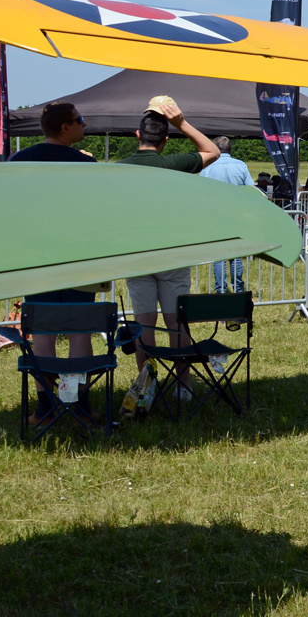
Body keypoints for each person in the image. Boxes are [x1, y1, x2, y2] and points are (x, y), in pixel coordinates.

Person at [119, 98, 220, 413]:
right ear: (165, 140)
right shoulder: (176, 164)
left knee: (144, 323)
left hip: (136, 255)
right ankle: (184, 385)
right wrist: (182, 123)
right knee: (177, 323)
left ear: (138, 136)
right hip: (173, 254)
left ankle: (144, 387)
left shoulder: (117, 170)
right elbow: (212, 151)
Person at [9, 102, 98, 426]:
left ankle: (46, 407)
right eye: (80, 121)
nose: (84, 125)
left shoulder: (17, 162)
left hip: (36, 259)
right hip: (79, 258)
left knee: (43, 332)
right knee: (80, 333)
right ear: (65, 127)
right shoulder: (86, 165)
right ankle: (78, 405)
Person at [199, 136, 254, 294]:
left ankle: (221, 290)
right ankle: (238, 289)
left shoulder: (207, 166)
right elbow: (250, 189)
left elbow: (201, 191)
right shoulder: (241, 165)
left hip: (216, 215)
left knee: (220, 254)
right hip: (237, 215)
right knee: (236, 254)